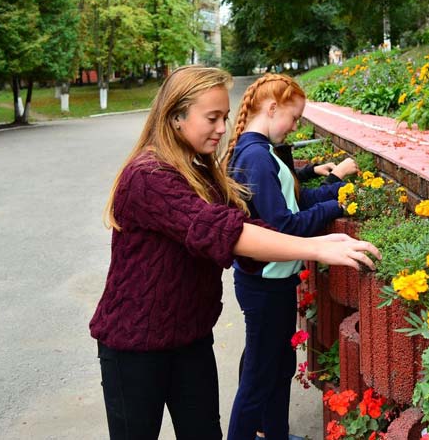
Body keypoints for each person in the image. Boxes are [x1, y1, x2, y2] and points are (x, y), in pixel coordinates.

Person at [88, 66, 378, 440]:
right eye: (212, 118)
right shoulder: (149, 175)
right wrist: (314, 247)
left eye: (225, 117)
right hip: (135, 347)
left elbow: (248, 226)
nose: (224, 128)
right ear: (176, 117)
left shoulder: (200, 169)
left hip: (190, 337)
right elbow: (226, 232)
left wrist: (314, 233)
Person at [224, 74, 358, 440]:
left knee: (280, 367)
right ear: (271, 108)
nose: (295, 126)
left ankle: (275, 434)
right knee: (257, 378)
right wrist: (335, 205)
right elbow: (284, 224)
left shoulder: (262, 152)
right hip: (264, 284)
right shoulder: (255, 156)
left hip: (274, 281)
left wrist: (336, 192)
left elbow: (295, 199)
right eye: (294, 117)